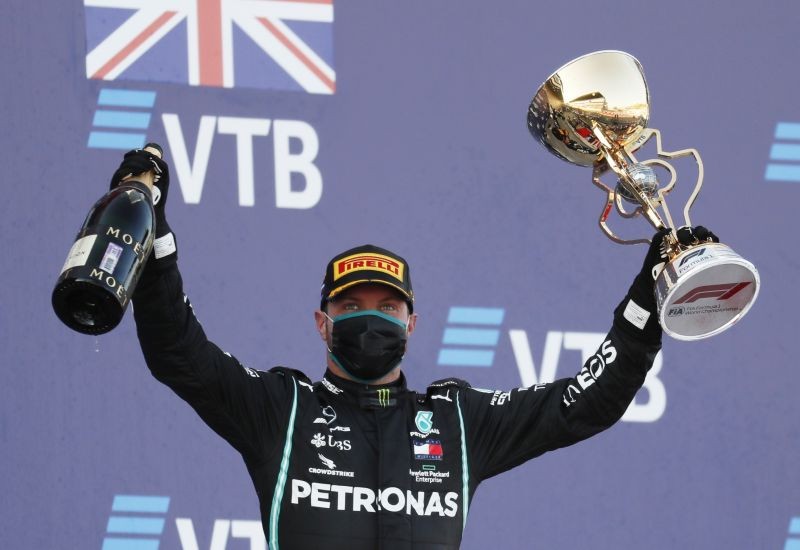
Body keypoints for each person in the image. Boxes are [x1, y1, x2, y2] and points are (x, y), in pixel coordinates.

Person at [116, 146, 716, 549]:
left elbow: (588, 401)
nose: (369, 318)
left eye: (387, 307)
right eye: (350, 307)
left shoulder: (457, 422)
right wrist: (156, 242)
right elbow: (177, 350)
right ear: (322, 325)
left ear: (413, 323)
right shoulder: (281, 409)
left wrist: (650, 295)